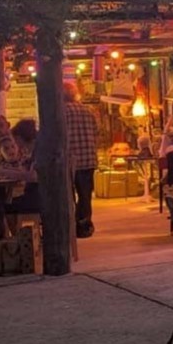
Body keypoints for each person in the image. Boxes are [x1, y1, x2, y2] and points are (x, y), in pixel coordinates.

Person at [63, 83, 100, 239]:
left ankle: (70, 224)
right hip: (87, 158)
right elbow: (97, 132)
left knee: (67, 195)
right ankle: (84, 225)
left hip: (67, 160)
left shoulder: (60, 112)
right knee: (85, 195)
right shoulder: (88, 110)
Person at [1, 119, 40, 220]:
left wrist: (2, 171)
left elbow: (33, 176)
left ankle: (6, 230)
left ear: (19, 138)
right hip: (38, 197)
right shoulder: (37, 150)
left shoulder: (39, 152)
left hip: (36, 200)